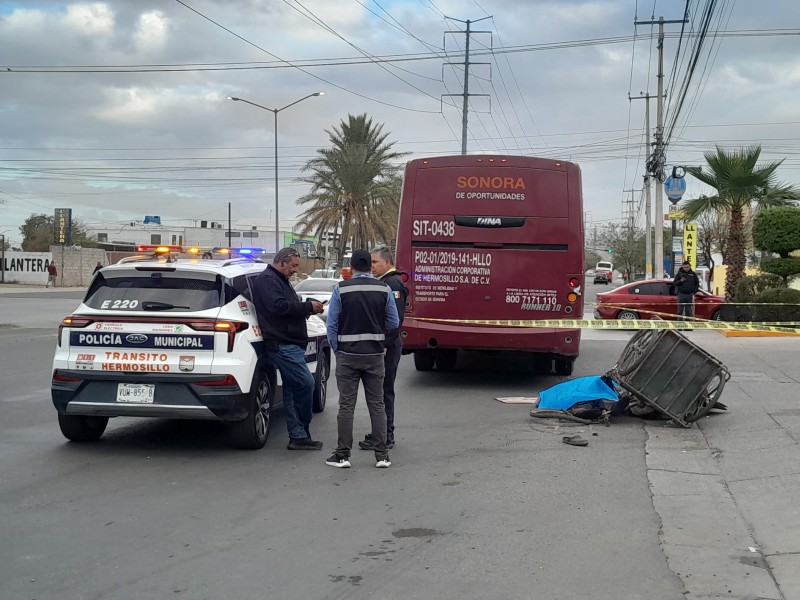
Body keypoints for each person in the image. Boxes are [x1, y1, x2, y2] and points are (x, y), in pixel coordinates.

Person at [325, 249, 400, 469]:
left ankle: (342, 455)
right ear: (369, 266)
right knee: (377, 405)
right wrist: (384, 344)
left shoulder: (341, 289)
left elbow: (331, 325)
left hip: (347, 355)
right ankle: (382, 455)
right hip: (375, 356)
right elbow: (394, 323)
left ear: (352, 267)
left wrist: (337, 350)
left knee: (346, 406)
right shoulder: (384, 288)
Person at [252, 247, 326, 451]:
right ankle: (301, 427)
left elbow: (287, 306)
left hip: (291, 342)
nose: (295, 270)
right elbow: (278, 307)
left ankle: (299, 435)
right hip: (282, 343)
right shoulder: (268, 280)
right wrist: (308, 307)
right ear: (282, 261)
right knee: (306, 383)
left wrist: (307, 307)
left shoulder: (279, 280)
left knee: (293, 390)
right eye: (293, 266)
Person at [359, 246, 408, 451]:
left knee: (384, 391)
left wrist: (386, 344)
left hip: (388, 346)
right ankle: (381, 431)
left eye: (375, 262)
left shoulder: (393, 284)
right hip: (385, 345)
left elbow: (394, 322)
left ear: (386, 262)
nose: (372, 266)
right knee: (379, 391)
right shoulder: (386, 283)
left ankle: (386, 435)